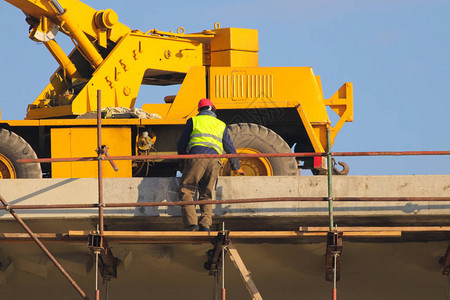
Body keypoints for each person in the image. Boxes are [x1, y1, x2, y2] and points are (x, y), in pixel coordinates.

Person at [177, 98, 244, 231]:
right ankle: (206, 224)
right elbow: (230, 148)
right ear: (213, 110)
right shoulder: (221, 125)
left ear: (199, 110)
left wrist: (182, 160)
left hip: (197, 158)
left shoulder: (193, 121)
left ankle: (191, 224)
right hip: (215, 162)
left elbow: (181, 143)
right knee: (206, 193)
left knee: (186, 190)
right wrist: (237, 167)